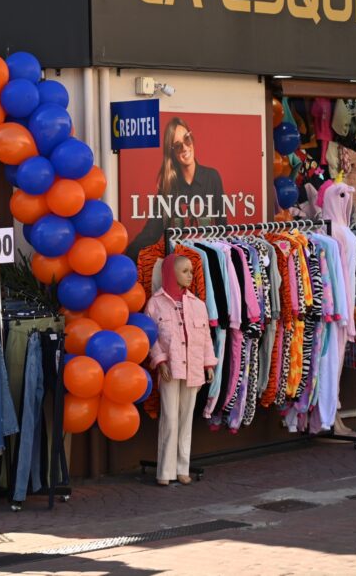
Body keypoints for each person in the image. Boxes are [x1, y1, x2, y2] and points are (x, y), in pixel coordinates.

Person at [144, 255, 217, 486]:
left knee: (186, 419)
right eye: (184, 271)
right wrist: (161, 360)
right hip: (170, 368)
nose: (190, 275)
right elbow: (151, 337)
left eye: (190, 271)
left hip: (193, 368)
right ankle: (165, 471)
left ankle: (182, 467)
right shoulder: (155, 303)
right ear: (170, 273)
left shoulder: (198, 304)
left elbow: (205, 337)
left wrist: (208, 364)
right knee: (170, 419)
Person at [127, 117, 227, 259]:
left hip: (208, 262)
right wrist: (127, 256)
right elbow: (151, 232)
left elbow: (223, 227)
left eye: (187, 139)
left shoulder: (212, 177)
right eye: (178, 145)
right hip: (179, 266)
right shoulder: (168, 187)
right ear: (172, 153)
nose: (185, 147)